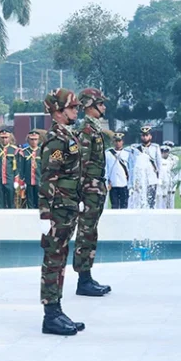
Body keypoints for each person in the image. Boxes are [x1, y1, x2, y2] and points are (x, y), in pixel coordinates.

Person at [38, 88, 85, 336]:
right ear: (58, 111)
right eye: (72, 107)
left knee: (60, 259)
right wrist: (45, 216)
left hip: (67, 209)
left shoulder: (68, 136)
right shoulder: (56, 140)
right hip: (57, 211)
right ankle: (50, 314)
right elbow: (48, 178)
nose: (76, 111)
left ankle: (57, 309)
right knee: (53, 260)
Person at [74, 88, 112, 297]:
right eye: (101, 103)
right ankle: (83, 280)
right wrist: (81, 194)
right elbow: (82, 163)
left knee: (91, 232)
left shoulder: (94, 130)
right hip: (89, 189)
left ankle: (87, 276)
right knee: (85, 233)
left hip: (95, 188)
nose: (104, 107)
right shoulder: (87, 131)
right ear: (90, 105)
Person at [0, 129, 20, 208]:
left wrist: (16, 180)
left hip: (10, 178)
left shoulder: (14, 150)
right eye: (2, 138)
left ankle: (12, 218)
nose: (4, 139)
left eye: (6, 137)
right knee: (0, 201)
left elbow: (16, 166)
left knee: (11, 201)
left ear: (10, 138)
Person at [138, 126, 161, 208]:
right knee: (141, 201)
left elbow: (159, 164)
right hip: (142, 178)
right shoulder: (137, 149)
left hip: (152, 177)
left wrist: (159, 178)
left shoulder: (155, 147)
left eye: (146, 135)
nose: (145, 137)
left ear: (150, 136)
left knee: (151, 201)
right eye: (143, 135)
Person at [105, 133, 130, 209]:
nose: (117, 143)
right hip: (113, 183)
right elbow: (106, 168)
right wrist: (107, 181)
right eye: (116, 141)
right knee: (114, 205)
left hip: (124, 183)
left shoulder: (127, 153)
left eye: (119, 141)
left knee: (124, 205)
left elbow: (130, 168)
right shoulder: (108, 153)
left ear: (122, 142)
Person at [129, 145, 157, 209]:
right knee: (140, 199)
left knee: (149, 202)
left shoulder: (143, 157)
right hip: (147, 182)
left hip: (150, 182)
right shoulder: (138, 158)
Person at [18, 131, 42, 209]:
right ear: (28, 140)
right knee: (30, 201)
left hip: (39, 180)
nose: (34, 141)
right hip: (28, 180)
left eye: (35, 139)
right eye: (32, 139)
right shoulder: (24, 152)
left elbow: (44, 167)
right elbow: (21, 168)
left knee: (39, 201)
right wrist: (21, 182)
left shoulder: (42, 152)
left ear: (38, 140)